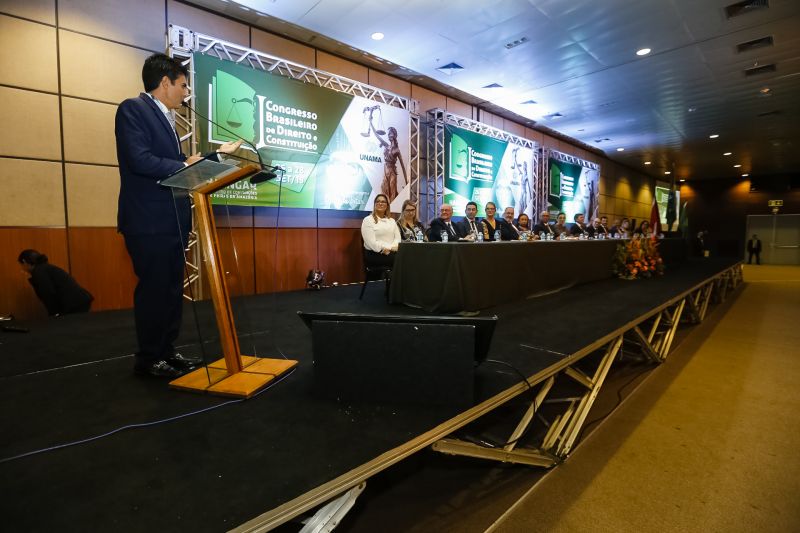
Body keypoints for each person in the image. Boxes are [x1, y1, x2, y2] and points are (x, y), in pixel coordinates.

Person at [116, 53, 242, 378]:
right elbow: (139, 160)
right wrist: (185, 165)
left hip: (171, 220)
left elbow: (181, 164)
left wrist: (214, 157)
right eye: (184, 85)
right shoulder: (133, 109)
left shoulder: (165, 118)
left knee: (171, 290)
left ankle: (166, 352)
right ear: (165, 82)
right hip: (149, 221)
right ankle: (149, 358)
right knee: (155, 290)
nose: (186, 93)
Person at [18, 249, 93, 316]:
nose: (22, 269)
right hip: (78, 301)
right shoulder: (44, 268)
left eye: (21, 265)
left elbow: (48, 293)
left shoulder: (39, 271)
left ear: (24, 262)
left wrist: (54, 314)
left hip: (74, 304)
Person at [361, 194, 401, 267]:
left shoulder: (392, 221)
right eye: (378, 201)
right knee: (401, 260)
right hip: (375, 253)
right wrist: (385, 248)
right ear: (374, 204)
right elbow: (371, 243)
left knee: (406, 257)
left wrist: (391, 248)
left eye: (383, 202)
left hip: (391, 251)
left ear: (387, 205)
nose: (380, 203)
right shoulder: (368, 220)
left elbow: (397, 239)